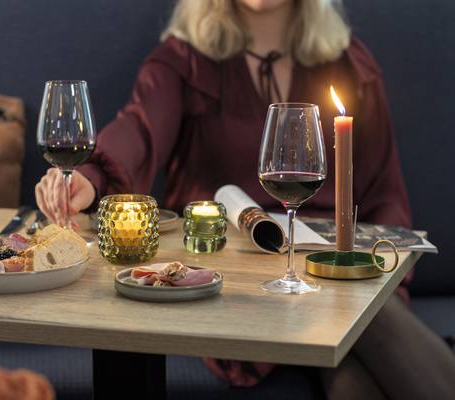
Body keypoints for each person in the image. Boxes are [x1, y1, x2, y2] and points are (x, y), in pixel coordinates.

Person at [35, 0, 455, 398]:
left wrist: (378, 272)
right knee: (354, 334)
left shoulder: (351, 63)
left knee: (353, 354)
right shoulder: (182, 61)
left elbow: (384, 193)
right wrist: (87, 180)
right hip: (240, 279)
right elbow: (138, 131)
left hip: (333, 262)